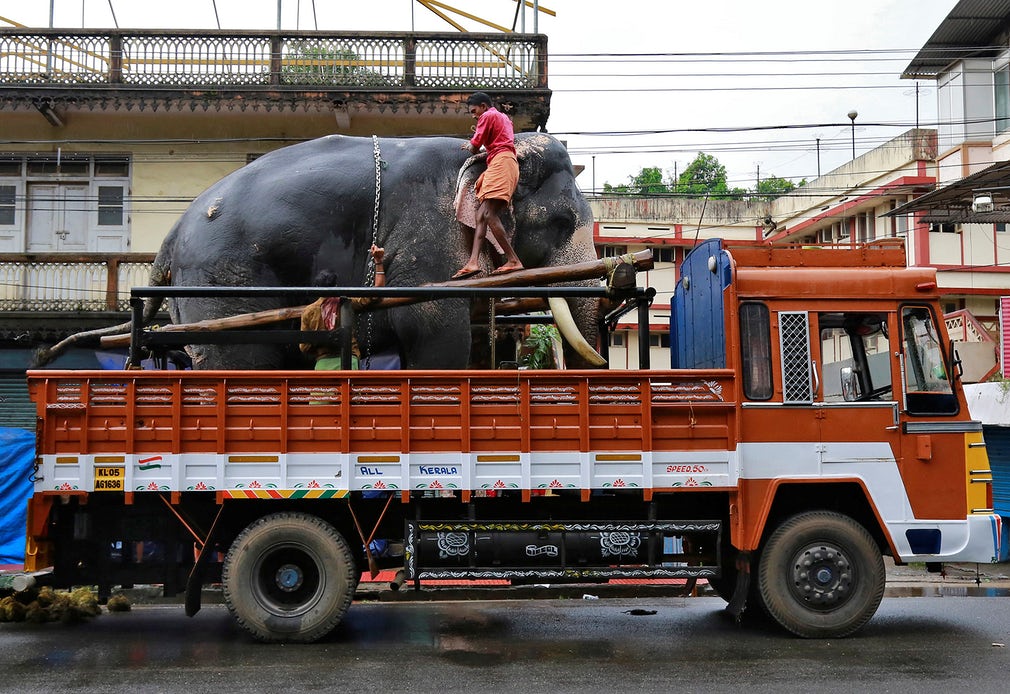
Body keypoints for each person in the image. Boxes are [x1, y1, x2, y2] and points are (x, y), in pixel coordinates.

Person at [452, 92, 525, 280]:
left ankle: (513, 260)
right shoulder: (504, 119)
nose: (474, 116)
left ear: (483, 106)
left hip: (501, 162)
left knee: (488, 214)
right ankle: (473, 261)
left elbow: (475, 146)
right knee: (481, 215)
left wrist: (468, 145)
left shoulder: (487, 116)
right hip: (504, 162)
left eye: (474, 111)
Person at [300, 244, 385, 369]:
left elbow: (304, 347)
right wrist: (378, 261)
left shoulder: (308, 312)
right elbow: (378, 292)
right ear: (336, 286)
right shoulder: (347, 303)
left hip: (323, 364)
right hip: (350, 361)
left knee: (322, 390)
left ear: (316, 288)